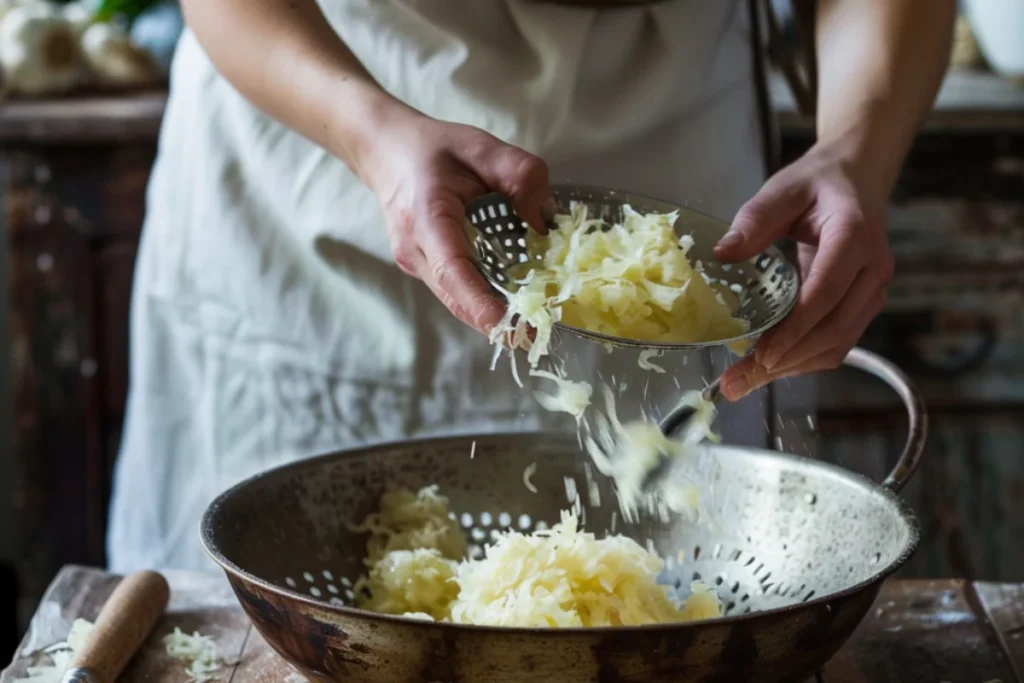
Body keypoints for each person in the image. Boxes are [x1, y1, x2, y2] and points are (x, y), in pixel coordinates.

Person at [107, 0, 954, 571]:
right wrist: (368, 133)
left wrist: (858, 150)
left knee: (665, 582)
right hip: (326, 114)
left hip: (679, 132)